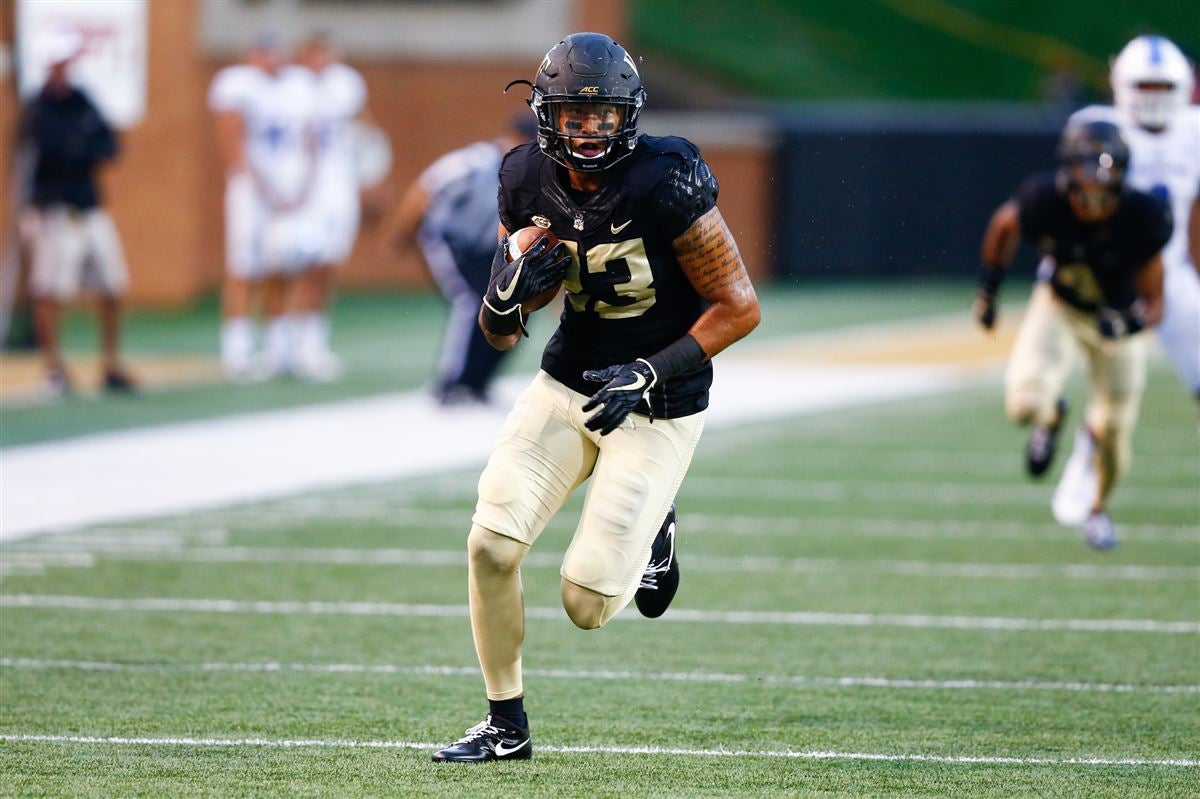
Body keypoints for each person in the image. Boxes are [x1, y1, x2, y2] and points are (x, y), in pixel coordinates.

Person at [431, 32, 760, 763]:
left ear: (629, 115)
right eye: (574, 116)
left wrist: (650, 369)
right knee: (489, 543)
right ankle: (505, 723)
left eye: (603, 115)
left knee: (586, 602)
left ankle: (654, 529)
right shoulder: (522, 177)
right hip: (570, 379)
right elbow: (499, 334)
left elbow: (739, 306)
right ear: (547, 115)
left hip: (660, 396)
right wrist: (506, 293)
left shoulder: (666, 176)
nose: (587, 129)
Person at [973, 119, 1171, 550]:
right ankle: (1052, 417)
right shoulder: (1044, 200)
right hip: (1060, 305)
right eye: (1086, 177)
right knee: (1024, 403)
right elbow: (1004, 224)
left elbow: (1156, 301)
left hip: (1115, 322)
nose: (1095, 192)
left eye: (1105, 177)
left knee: (1113, 430)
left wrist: (1130, 323)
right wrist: (988, 291)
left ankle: (1098, 508)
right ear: (1068, 172)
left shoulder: (1143, 216)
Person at [1068, 35, 1200, 405]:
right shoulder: (1096, 129)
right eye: (1144, 85)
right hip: (1110, 275)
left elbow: (1196, 210)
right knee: (1108, 404)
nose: (1153, 95)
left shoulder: (1194, 130)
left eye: (1162, 86)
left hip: (1171, 272)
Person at [18, 29, 136, 398]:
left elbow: (109, 144)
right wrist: (81, 145)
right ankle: (53, 368)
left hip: (89, 205)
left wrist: (82, 145)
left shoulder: (83, 99)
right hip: (54, 210)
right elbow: (54, 152)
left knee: (114, 286)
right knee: (52, 289)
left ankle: (110, 364)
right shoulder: (38, 108)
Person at [390, 115, 536, 405]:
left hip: (488, 248)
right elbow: (425, 189)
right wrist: (403, 234)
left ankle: (477, 381)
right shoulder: (473, 163)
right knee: (469, 301)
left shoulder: (533, 172)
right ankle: (450, 382)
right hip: (449, 239)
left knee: (511, 305)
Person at [208, 34, 319, 382]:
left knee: (284, 265)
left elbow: (308, 139)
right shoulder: (238, 85)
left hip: (288, 193)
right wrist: (261, 186)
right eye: (266, 53)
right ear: (253, 54)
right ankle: (237, 351)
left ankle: (278, 349)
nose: (273, 59)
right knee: (244, 267)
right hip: (251, 193)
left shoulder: (296, 87)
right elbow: (231, 140)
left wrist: (302, 185)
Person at [289, 32, 372, 382]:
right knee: (295, 264)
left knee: (327, 264)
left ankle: (312, 343)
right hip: (299, 189)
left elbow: (365, 128)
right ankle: (284, 344)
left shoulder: (346, 84)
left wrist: (370, 176)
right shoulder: (291, 87)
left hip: (338, 185)